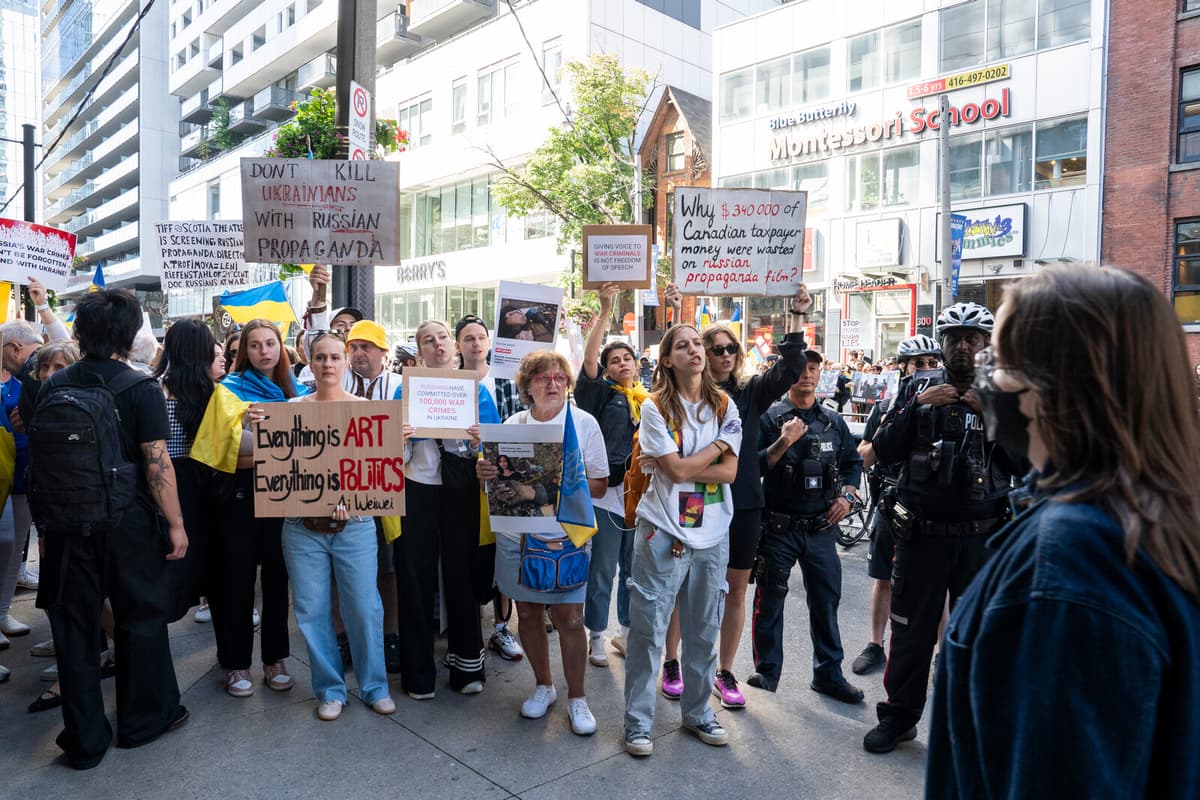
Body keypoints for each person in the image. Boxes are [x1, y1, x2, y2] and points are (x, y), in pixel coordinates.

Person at [926, 265, 1200, 798]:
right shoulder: (1141, 512)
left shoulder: (1071, 559)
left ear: (1052, 383)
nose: (985, 375)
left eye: (999, 360)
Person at [33, 288, 189, 769]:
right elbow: (156, 462)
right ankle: (142, 721)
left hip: (64, 526)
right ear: (129, 333)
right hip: (128, 524)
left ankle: (84, 739)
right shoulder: (140, 387)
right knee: (139, 618)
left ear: (80, 330)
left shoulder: (53, 385)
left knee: (74, 629)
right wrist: (177, 524)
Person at [863, 302, 1022, 754]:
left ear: (987, 343)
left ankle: (971, 724)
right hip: (921, 536)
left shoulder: (1006, 392)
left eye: (973, 337)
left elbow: (1025, 463)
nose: (964, 345)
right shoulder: (917, 385)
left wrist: (992, 419)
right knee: (910, 631)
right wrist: (915, 407)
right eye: (955, 337)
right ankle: (899, 717)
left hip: (982, 539)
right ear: (944, 341)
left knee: (976, 635)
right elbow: (885, 450)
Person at [475, 351, 609, 735]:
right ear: (526, 387)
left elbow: (601, 484)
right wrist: (482, 470)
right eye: (543, 378)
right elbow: (492, 484)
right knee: (529, 613)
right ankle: (543, 686)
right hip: (518, 536)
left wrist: (569, 476)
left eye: (560, 378)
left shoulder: (583, 424)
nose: (553, 383)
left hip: (567, 536)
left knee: (571, 618)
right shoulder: (512, 425)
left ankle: (578, 698)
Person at [623, 323, 741, 757]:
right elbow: (675, 473)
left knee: (704, 631)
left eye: (698, 344)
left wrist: (690, 462)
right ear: (668, 359)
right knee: (648, 632)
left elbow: (729, 474)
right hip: (662, 533)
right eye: (684, 345)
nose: (695, 350)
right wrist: (719, 446)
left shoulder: (725, 405)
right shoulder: (654, 407)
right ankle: (637, 723)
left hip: (712, 536)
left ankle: (697, 712)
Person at [694, 287, 811, 710]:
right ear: (702, 354)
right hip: (696, 499)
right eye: (716, 348)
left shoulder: (751, 393)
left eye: (731, 349)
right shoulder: (688, 392)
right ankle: (677, 662)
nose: (725, 355)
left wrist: (795, 315)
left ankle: (724, 671)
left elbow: (792, 367)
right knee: (686, 586)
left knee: (736, 590)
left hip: (743, 503)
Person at [277, 331, 395, 721]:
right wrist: (255, 424)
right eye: (320, 357)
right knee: (311, 609)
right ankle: (330, 689)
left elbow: (378, 473)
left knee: (364, 606)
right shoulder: (290, 408)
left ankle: (374, 685)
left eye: (335, 357)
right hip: (301, 525)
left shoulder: (368, 411)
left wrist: (398, 440)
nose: (328, 364)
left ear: (345, 363)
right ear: (309, 363)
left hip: (356, 524)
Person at [749, 350, 864, 703]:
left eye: (814, 367)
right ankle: (766, 673)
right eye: (801, 368)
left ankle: (829, 674)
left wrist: (847, 496)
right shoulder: (769, 418)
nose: (807, 374)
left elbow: (852, 462)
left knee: (826, 601)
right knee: (770, 601)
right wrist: (783, 441)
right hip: (778, 528)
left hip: (819, 529)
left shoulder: (833, 421)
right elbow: (752, 470)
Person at [391, 320, 488, 699]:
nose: (438, 344)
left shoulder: (476, 388)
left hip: (461, 489)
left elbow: (495, 449)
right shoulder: (405, 390)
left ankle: (467, 667)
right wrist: (399, 437)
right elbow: (391, 454)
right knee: (415, 578)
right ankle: (418, 674)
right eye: (428, 340)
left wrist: (483, 441)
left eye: (443, 337)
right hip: (417, 488)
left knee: (462, 575)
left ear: (454, 344)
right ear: (419, 351)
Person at [215, 320, 306, 698]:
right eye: (255, 345)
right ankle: (236, 665)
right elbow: (225, 455)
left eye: (271, 343)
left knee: (277, 581)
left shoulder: (298, 392)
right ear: (242, 352)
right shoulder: (228, 392)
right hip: (239, 501)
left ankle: (275, 660)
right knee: (236, 582)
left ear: (281, 348)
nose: (264, 351)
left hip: (285, 500)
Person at [850, 335, 940, 676]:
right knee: (883, 577)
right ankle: (875, 645)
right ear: (903, 367)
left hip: (931, 504)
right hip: (893, 501)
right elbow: (865, 456)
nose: (926, 370)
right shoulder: (887, 405)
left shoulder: (946, 403)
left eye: (932, 363)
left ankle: (941, 654)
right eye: (918, 363)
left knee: (937, 582)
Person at [572, 283, 650, 669]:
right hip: (605, 496)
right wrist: (605, 311)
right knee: (602, 570)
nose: (622, 363)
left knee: (633, 571)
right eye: (614, 359)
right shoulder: (599, 394)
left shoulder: (649, 400)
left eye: (627, 358)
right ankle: (596, 635)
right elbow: (587, 364)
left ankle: (627, 631)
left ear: (637, 365)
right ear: (606, 368)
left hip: (640, 499)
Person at [454, 314, 526, 663]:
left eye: (481, 336)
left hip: (500, 479)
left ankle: (501, 628)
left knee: (502, 553)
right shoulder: (448, 382)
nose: (476, 343)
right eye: (468, 338)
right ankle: (464, 630)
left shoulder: (507, 384)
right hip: (458, 480)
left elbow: (518, 429)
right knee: (467, 553)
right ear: (459, 345)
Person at [153, 320, 226, 624]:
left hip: (167, 478)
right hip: (206, 479)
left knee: (172, 559)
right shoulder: (213, 392)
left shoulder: (155, 388)